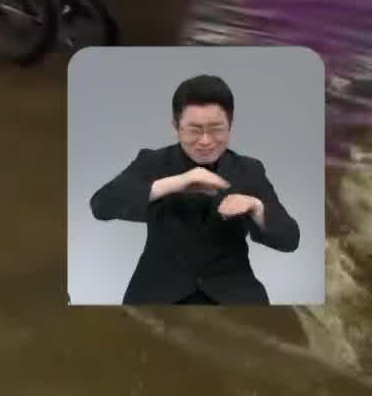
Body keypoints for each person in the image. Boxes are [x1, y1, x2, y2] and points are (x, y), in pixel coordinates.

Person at [89, 74, 299, 304]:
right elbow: (101, 206)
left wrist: (256, 208)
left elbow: (290, 239)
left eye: (216, 129)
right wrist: (176, 182)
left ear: (231, 125)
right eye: (194, 130)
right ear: (176, 126)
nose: (206, 141)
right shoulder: (153, 161)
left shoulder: (249, 169)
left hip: (232, 292)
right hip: (158, 291)